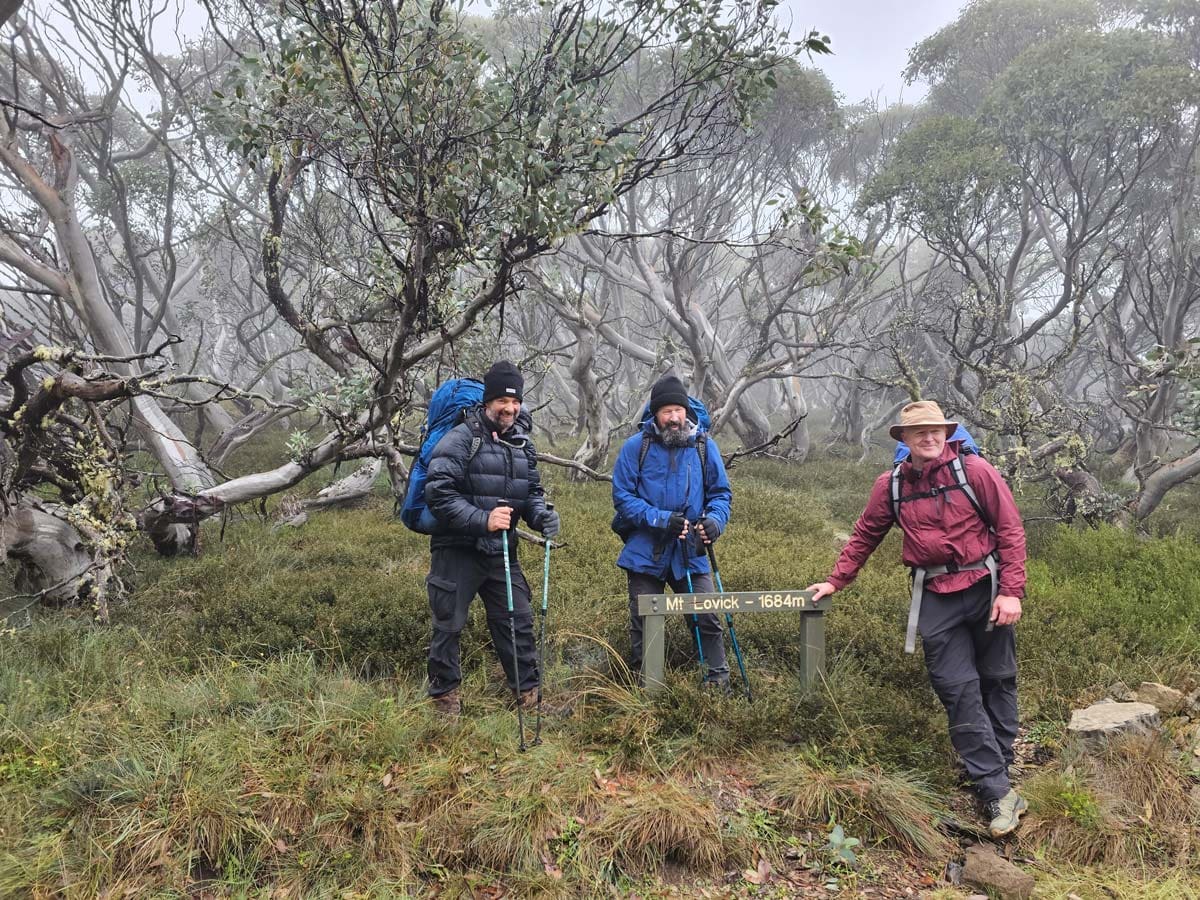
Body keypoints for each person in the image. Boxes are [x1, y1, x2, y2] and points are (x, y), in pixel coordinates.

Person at [806, 400, 1029, 838]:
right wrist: (836, 580)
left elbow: (1010, 529)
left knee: (997, 678)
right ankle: (997, 789)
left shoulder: (975, 471)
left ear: (947, 434)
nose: (929, 438)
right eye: (919, 432)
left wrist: (1011, 591)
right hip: (935, 594)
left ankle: (997, 770)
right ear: (904, 439)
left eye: (936, 431)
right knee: (956, 687)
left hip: (985, 585)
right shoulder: (890, 484)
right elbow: (866, 534)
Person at [423, 360, 561, 716]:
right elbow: (438, 493)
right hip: (457, 550)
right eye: (502, 401)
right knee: (448, 626)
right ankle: (444, 701)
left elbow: (531, 491)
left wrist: (541, 515)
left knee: (518, 621)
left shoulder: (521, 443)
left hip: (501, 551)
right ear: (488, 401)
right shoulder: (461, 439)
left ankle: (528, 696)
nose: (509, 408)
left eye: (515, 401)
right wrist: (482, 520)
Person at [612, 373, 732, 687]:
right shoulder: (635, 447)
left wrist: (715, 522)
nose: (674, 418)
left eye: (678, 410)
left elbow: (721, 494)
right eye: (667, 411)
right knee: (645, 622)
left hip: (691, 550)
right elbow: (622, 497)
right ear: (655, 414)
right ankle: (645, 688)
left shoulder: (704, 446)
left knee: (706, 616)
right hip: (644, 550)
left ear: (686, 411)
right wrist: (661, 519)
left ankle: (717, 685)